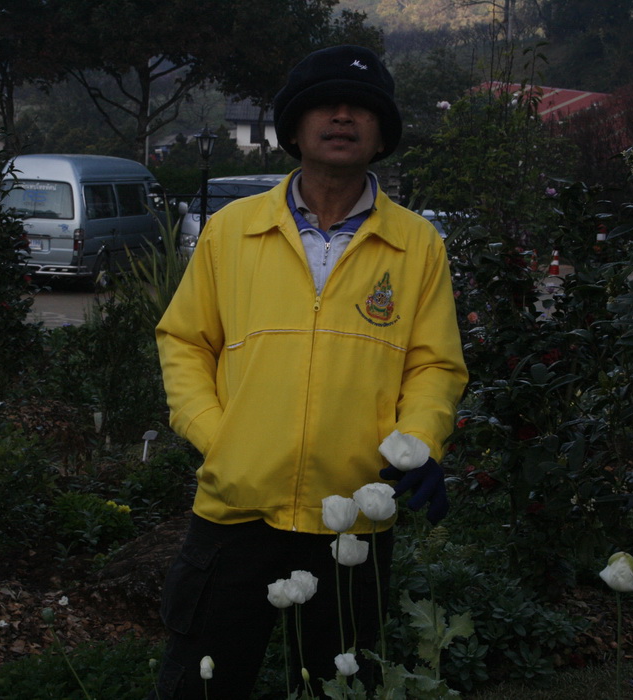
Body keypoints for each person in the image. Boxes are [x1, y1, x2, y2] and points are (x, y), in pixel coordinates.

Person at [152, 44, 468, 699]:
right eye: (324, 104)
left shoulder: (416, 244)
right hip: (235, 511)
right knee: (200, 687)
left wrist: (418, 444)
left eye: (362, 108)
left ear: (382, 134)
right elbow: (184, 341)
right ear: (294, 128)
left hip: (352, 518)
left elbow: (434, 364)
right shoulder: (232, 231)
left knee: (338, 688)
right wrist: (218, 435)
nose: (342, 116)